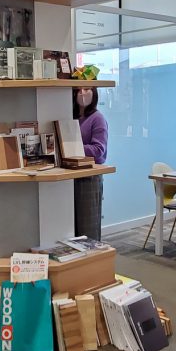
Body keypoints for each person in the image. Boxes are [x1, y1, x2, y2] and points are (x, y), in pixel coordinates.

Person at [73, 87, 108, 240]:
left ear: (94, 93)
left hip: (89, 177)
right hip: (72, 175)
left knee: (88, 228)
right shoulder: (72, 116)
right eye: (78, 90)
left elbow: (99, 150)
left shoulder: (97, 118)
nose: (82, 93)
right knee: (72, 227)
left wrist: (71, 147)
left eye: (87, 89)